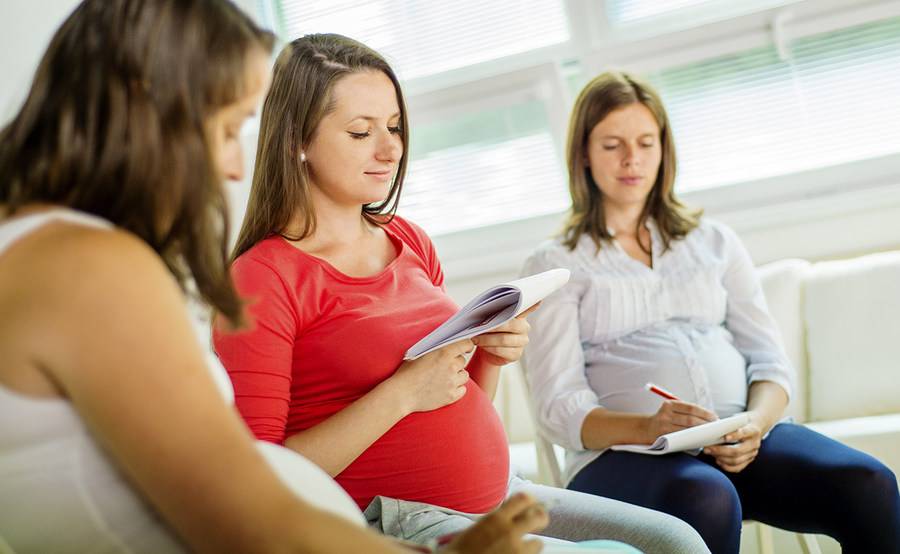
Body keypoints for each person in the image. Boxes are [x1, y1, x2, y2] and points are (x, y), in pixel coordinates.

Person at [0, 2, 552, 553]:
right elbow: (248, 511)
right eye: (225, 129)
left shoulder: (50, 250)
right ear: (150, 107)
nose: (236, 166)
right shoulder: (83, 266)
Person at [213, 33, 710, 554]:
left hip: (499, 496)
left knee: (677, 541)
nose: (390, 149)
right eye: (361, 132)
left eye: (395, 127)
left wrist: (489, 356)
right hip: (398, 523)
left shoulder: (406, 239)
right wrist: (400, 394)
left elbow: (457, 396)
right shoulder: (260, 277)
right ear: (298, 139)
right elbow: (265, 481)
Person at [520, 70, 900, 554]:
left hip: (738, 440)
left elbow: (770, 364)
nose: (632, 159)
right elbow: (558, 408)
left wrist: (755, 425)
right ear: (584, 156)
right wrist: (650, 428)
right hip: (625, 458)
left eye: (646, 142)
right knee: (706, 496)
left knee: (868, 483)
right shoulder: (556, 263)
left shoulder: (714, 241)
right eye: (613, 144)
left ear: (664, 148)